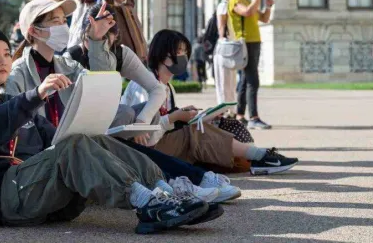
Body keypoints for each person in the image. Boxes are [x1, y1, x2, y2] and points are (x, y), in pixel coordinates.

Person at [0, 24, 215, 234]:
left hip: (40, 192)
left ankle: (163, 191)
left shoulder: (9, 101)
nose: (3, 61)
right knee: (73, 144)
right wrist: (35, 96)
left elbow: (58, 139)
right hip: (6, 194)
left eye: (7, 53)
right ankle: (147, 204)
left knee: (88, 138)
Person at [9, 0, 240, 203]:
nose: (63, 26)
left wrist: (97, 39)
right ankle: (166, 190)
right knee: (109, 146)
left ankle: (174, 187)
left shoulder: (66, 66)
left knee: (120, 145)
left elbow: (100, 82)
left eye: (63, 20)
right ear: (35, 31)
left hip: (81, 144)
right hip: (55, 158)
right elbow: (17, 129)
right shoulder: (18, 74)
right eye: (55, 21)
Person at [121, 29, 297, 175]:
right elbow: (144, 137)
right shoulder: (142, 86)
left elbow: (164, 123)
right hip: (142, 154)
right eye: (178, 52)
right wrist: (175, 117)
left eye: (184, 52)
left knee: (201, 129)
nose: (182, 56)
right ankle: (260, 156)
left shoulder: (167, 88)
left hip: (160, 146)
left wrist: (189, 116)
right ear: (161, 54)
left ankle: (255, 158)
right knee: (195, 132)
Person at [224, 0, 273, 130]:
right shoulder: (234, 1)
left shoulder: (246, 1)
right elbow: (247, 12)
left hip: (254, 42)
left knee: (245, 80)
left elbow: (264, 18)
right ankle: (253, 117)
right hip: (245, 43)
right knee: (253, 80)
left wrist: (268, 6)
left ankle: (239, 115)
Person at [213, 0, 237, 117]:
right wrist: (224, 42)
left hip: (230, 48)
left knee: (230, 83)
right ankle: (224, 111)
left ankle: (231, 111)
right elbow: (222, 27)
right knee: (224, 83)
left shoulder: (231, 4)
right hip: (224, 48)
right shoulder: (224, 5)